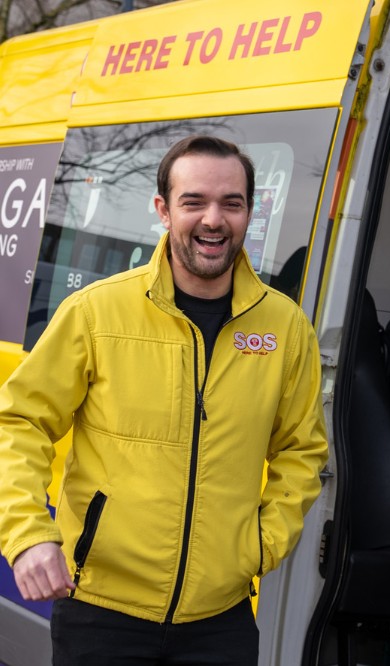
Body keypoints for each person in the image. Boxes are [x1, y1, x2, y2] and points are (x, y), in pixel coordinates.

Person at [0, 135, 329, 665]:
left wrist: (259, 546)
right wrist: (26, 533)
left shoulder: (286, 328)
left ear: (250, 211)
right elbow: (17, 422)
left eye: (232, 203)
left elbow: (302, 452)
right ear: (163, 209)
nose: (213, 220)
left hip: (220, 621)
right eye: (194, 201)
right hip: (102, 614)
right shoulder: (97, 312)